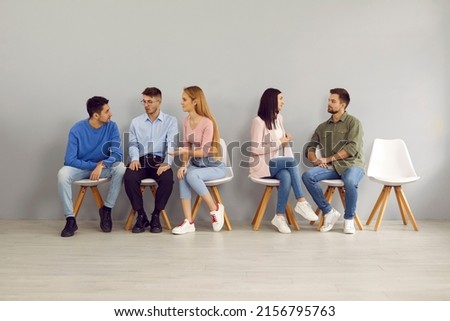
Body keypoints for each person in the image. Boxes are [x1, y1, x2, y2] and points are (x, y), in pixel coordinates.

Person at [249, 88, 318, 234]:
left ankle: (279, 217)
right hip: (262, 165)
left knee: (286, 176)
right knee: (291, 162)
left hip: (277, 162)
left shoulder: (279, 119)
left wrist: (285, 140)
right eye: (281, 99)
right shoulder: (258, 121)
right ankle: (301, 201)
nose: (283, 102)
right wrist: (279, 141)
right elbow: (255, 149)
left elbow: (280, 143)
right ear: (271, 100)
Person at [57, 96, 126, 237]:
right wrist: (95, 165)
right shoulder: (77, 129)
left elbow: (118, 154)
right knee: (62, 175)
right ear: (96, 115)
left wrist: (103, 165)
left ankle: (106, 210)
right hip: (81, 168)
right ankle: (70, 219)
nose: (111, 113)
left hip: (102, 169)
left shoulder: (112, 126)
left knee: (121, 168)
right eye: (107, 111)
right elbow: (69, 160)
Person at [302, 88, 365, 234]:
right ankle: (328, 211)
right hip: (332, 168)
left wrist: (328, 158)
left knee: (349, 181)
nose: (329, 103)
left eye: (333, 101)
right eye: (329, 100)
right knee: (308, 176)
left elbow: (352, 148)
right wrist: (314, 159)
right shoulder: (322, 127)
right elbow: (311, 145)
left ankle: (349, 220)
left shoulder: (353, 123)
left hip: (352, 165)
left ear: (342, 105)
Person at [170, 86, 226, 235]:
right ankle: (189, 222)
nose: (181, 102)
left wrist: (185, 151)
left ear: (194, 101)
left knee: (192, 175)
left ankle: (215, 209)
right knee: (183, 175)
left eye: (184, 99)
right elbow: (186, 145)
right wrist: (183, 165)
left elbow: (205, 151)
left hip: (213, 165)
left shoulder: (207, 122)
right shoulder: (186, 120)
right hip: (196, 164)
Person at [123, 87, 178, 233]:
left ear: (159, 102)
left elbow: (172, 143)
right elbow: (133, 144)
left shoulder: (171, 121)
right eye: (144, 101)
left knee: (167, 178)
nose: (146, 105)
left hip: (159, 160)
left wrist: (167, 162)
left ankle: (156, 215)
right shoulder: (136, 122)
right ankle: (141, 216)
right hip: (140, 160)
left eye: (150, 101)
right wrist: (134, 159)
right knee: (129, 177)